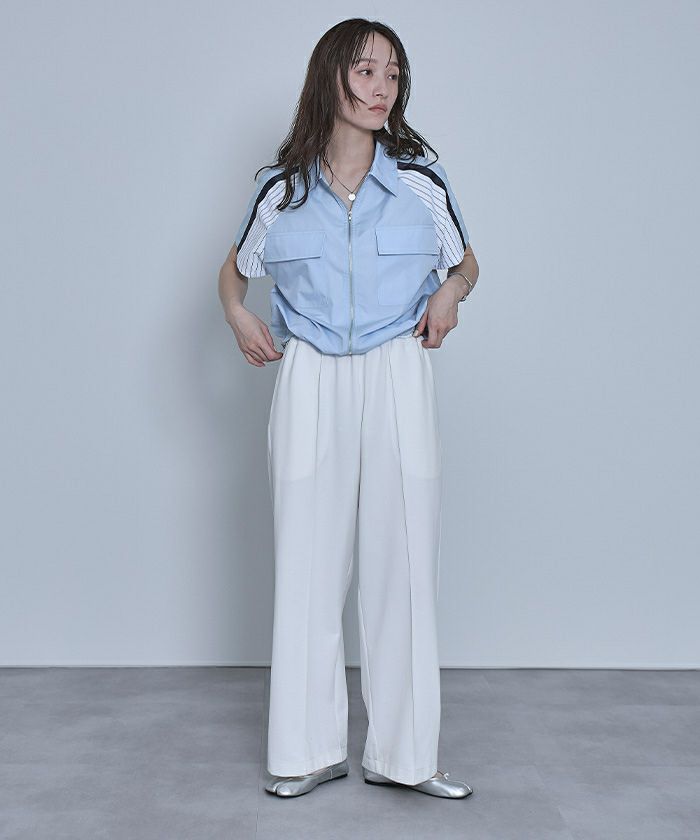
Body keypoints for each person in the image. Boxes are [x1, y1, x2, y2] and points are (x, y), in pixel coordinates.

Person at [219, 19, 479, 799]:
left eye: (392, 75)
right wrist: (237, 315)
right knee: (307, 558)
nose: (381, 88)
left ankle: (408, 756)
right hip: (309, 375)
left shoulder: (422, 183)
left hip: (398, 368)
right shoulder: (282, 190)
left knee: (405, 561)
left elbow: (467, 261)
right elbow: (234, 272)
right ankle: (307, 751)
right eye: (366, 71)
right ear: (329, 77)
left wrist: (451, 292)